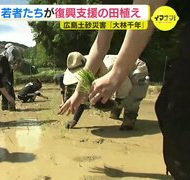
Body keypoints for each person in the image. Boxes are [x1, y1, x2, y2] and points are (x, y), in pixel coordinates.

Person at [59, 0, 190, 178]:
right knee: (170, 112)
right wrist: (78, 93)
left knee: (174, 115)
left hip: (135, 74)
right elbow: (101, 43)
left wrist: (118, 72)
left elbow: (147, 6)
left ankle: (131, 119)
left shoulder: (109, 70)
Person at [63, 52, 149, 130]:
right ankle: (117, 109)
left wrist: (117, 101)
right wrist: (75, 120)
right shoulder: (85, 69)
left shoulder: (108, 69)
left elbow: (126, 87)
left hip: (135, 69)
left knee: (131, 97)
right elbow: (83, 99)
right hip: (119, 74)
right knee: (114, 115)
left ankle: (130, 116)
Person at [0, 43, 22, 110]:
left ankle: (4, 105)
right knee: (9, 87)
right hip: (7, 71)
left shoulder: (2, 53)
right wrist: (16, 64)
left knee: (4, 87)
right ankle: (11, 105)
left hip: (1, 71)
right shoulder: (12, 49)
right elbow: (11, 60)